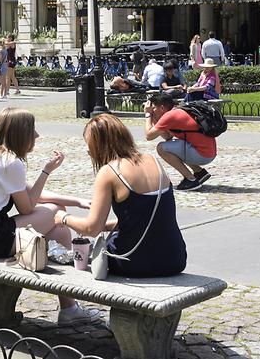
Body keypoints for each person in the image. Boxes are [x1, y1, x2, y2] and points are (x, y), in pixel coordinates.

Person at [0, 108, 99, 325]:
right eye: (32, 130)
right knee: (54, 213)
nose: (37, 135)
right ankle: (70, 305)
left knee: (60, 229)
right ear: (19, 133)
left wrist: (76, 201)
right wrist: (46, 171)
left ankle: (70, 307)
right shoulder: (10, 162)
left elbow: (30, 192)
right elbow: (28, 207)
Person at [55, 113, 187, 278]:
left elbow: (91, 228)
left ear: (98, 146)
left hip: (133, 262)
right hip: (174, 258)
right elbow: (142, 212)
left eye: (89, 147)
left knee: (92, 252)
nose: (89, 152)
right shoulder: (152, 159)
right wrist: (108, 225)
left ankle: (69, 303)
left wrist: (63, 218)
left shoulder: (110, 171)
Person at [144, 93, 216, 192]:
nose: (152, 110)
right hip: (207, 152)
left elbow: (149, 136)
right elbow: (168, 137)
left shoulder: (170, 116)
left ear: (161, 107)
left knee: (161, 148)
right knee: (172, 146)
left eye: (154, 108)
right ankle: (199, 172)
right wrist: (154, 118)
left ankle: (190, 180)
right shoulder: (177, 111)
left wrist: (148, 115)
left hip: (202, 154)